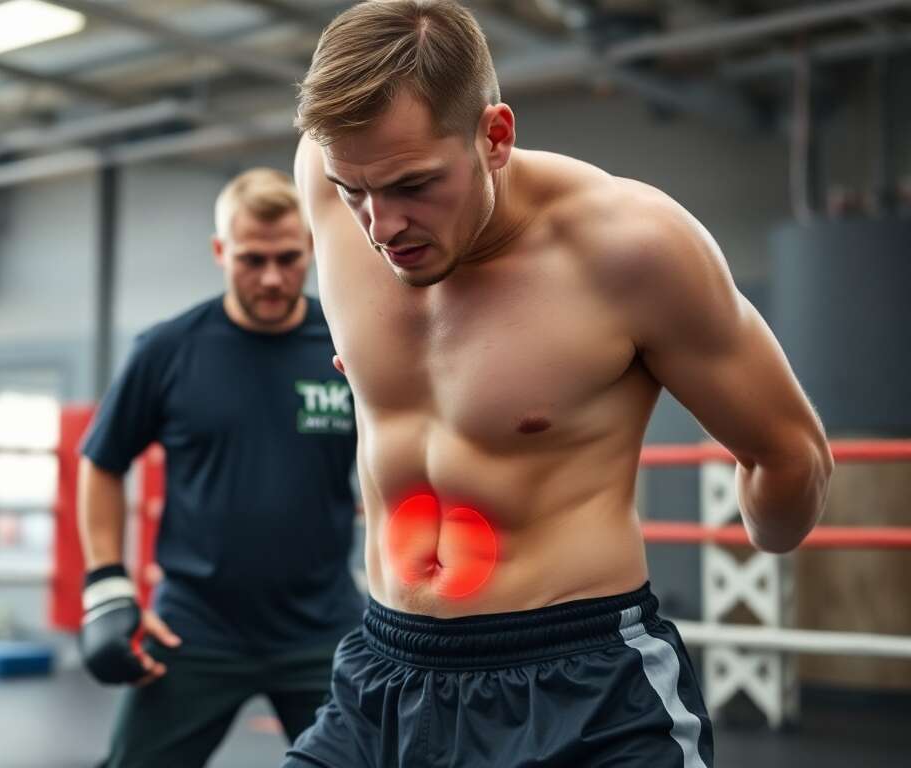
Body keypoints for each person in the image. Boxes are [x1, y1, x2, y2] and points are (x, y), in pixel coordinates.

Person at [285, 2, 833, 766]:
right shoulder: (323, 170)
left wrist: (769, 529)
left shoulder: (630, 247)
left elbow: (792, 453)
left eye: (415, 185)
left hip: (579, 690)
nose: (381, 227)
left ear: (495, 136)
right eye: (355, 192)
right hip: (384, 673)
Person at [77, 168, 363, 768]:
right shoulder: (168, 348)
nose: (271, 278)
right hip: (198, 627)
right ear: (219, 251)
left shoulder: (351, 342)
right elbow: (102, 462)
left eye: (288, 258)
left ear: (311, 246)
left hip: (322, 625)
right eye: (250, 259)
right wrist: (107, 585)